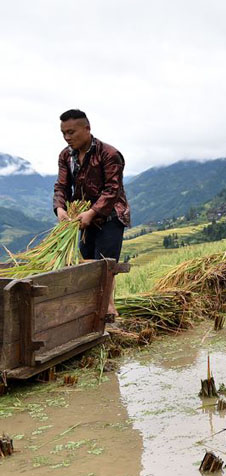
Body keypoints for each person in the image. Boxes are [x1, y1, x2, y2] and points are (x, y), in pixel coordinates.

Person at [53, 109, 131, 320]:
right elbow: (61, 186)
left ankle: (108, 310)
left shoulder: (109, 154)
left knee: (105, 264)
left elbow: (112, 190)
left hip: (110, 216)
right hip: (82, 219)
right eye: (63, 133)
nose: (67, 137)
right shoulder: (66, 156)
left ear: (87, 129)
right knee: (87, 263)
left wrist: (93, 212)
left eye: (71, 132)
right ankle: (92, 309)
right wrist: (60, 208)